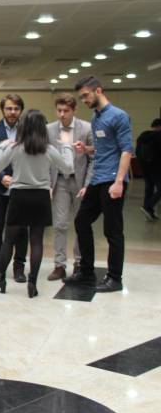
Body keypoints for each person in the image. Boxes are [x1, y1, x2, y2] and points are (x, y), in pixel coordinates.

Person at [0, 110, 73, 297]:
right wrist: (67, 146)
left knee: (8, 239)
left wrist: (2, 146)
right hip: (41, 197)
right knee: (36, 241)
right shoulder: (49, 149)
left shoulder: (15, 147)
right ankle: (32, 283)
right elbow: (68, 168)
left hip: (19, 195)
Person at [66, 76, 133, 293]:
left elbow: (126, 150)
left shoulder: (119, 116)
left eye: (86, 96)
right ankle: (86, 272)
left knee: (112, 230)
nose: (84, 100)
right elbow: (104, 149)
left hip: (113, 179)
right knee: (81, 221)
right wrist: (86, 149)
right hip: (98, 179)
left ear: (98, 91)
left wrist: (119, 182)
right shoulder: (96, 118)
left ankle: (115, 278)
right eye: (81, 97)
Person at [47, 95, 93, 281]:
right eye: (59, 110)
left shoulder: (86, 128)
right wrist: (48, 183)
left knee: (81, 223)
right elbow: (45, 157)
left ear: (74, 110)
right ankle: (59, 264)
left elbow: (93, 159)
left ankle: (79, 262)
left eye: (66, 111)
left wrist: (87, 184)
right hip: (59, 181)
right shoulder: (49, 129)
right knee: (60, 224)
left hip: (79, 181)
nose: (62, 114)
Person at [0, 95, 27, 282]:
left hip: (22, 186)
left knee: (21, 229)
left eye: (16, 108)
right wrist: (1, 177)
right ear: (3, 109)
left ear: (21, 111)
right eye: (9, 108)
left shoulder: (26, 130)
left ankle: (19, 267)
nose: (12, 112)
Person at [136, 118, 161, 221]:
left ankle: (149, 212)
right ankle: (148, 206)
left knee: (149, 188)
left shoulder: (143, 135)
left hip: (144, 167)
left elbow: (137, 151)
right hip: (156, 167)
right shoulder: (158, 136)